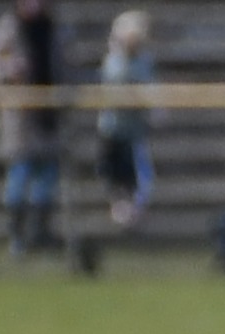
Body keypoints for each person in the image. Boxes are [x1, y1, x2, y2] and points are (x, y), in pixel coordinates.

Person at [0, 0, 58, 260]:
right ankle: (17, 236)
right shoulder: (10, 26)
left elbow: (63, 63)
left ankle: (40, 232)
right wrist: (8, 68)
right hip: (20, 116)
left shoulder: (52, 27)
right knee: (19, 174)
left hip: (47, 114)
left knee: (47, 175)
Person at [93, 8, 151, 230]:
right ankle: (121, 209)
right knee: (113, 173)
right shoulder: (114, 62)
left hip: (133, 130)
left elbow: (148, 89)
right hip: (113, 129)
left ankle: (132, 212)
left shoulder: (143, 62)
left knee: (136, 176)